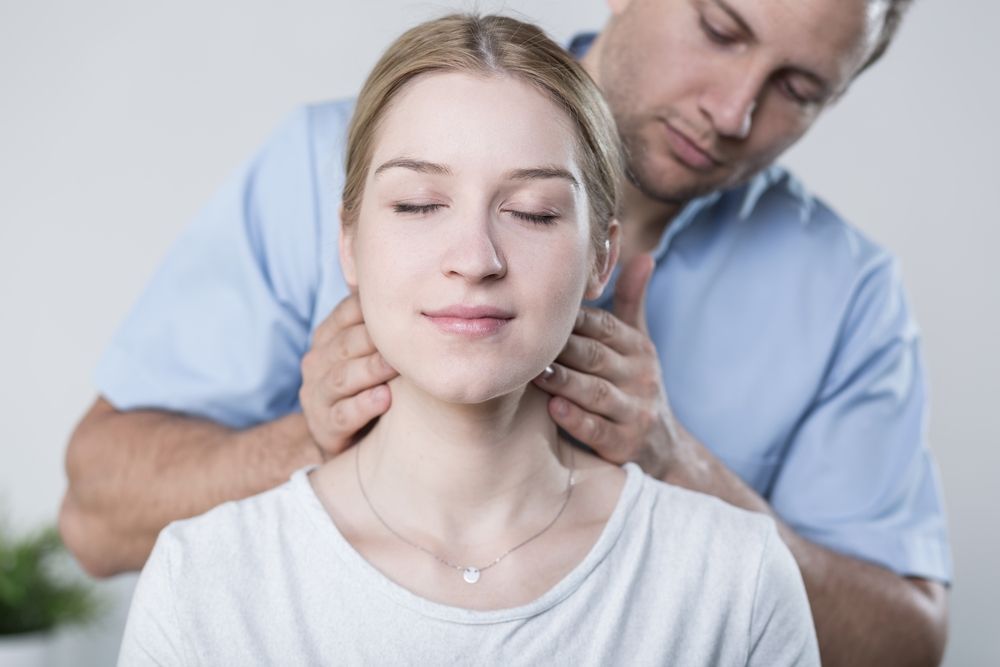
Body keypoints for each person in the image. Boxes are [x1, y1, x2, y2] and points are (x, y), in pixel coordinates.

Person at [63, 0, 950, 664]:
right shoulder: (324, 158)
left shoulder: (844, 293)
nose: (733, 111)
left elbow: (911, 641)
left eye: (799, 88)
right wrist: (326, 432)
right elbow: (94, 517)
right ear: (349, 242)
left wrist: (678, 466)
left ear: (598, 258)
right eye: (720, 28)